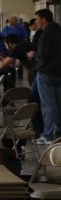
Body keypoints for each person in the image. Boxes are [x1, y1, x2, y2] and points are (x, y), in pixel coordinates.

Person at [33, 8, 61, 144]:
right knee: (58, 105)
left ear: (43, 19)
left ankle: (48, 135)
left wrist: (34, 57)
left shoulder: (46, 34)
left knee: (49, 106)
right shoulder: (59, 31)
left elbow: (43, 56)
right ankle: (59, 133)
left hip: (46, 74)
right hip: (59, 73)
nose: (36, 22)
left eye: (37, 19)